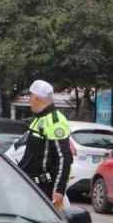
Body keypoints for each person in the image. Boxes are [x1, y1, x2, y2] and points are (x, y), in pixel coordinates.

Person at [16, 80, 73, 209]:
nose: (28, 99)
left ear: (37, 98)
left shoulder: (55, 121)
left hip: (46, 188)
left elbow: (64, 158)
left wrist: (59, 190)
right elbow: (30, 154)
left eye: (29, 96)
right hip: (33, 186)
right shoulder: (38, 119)